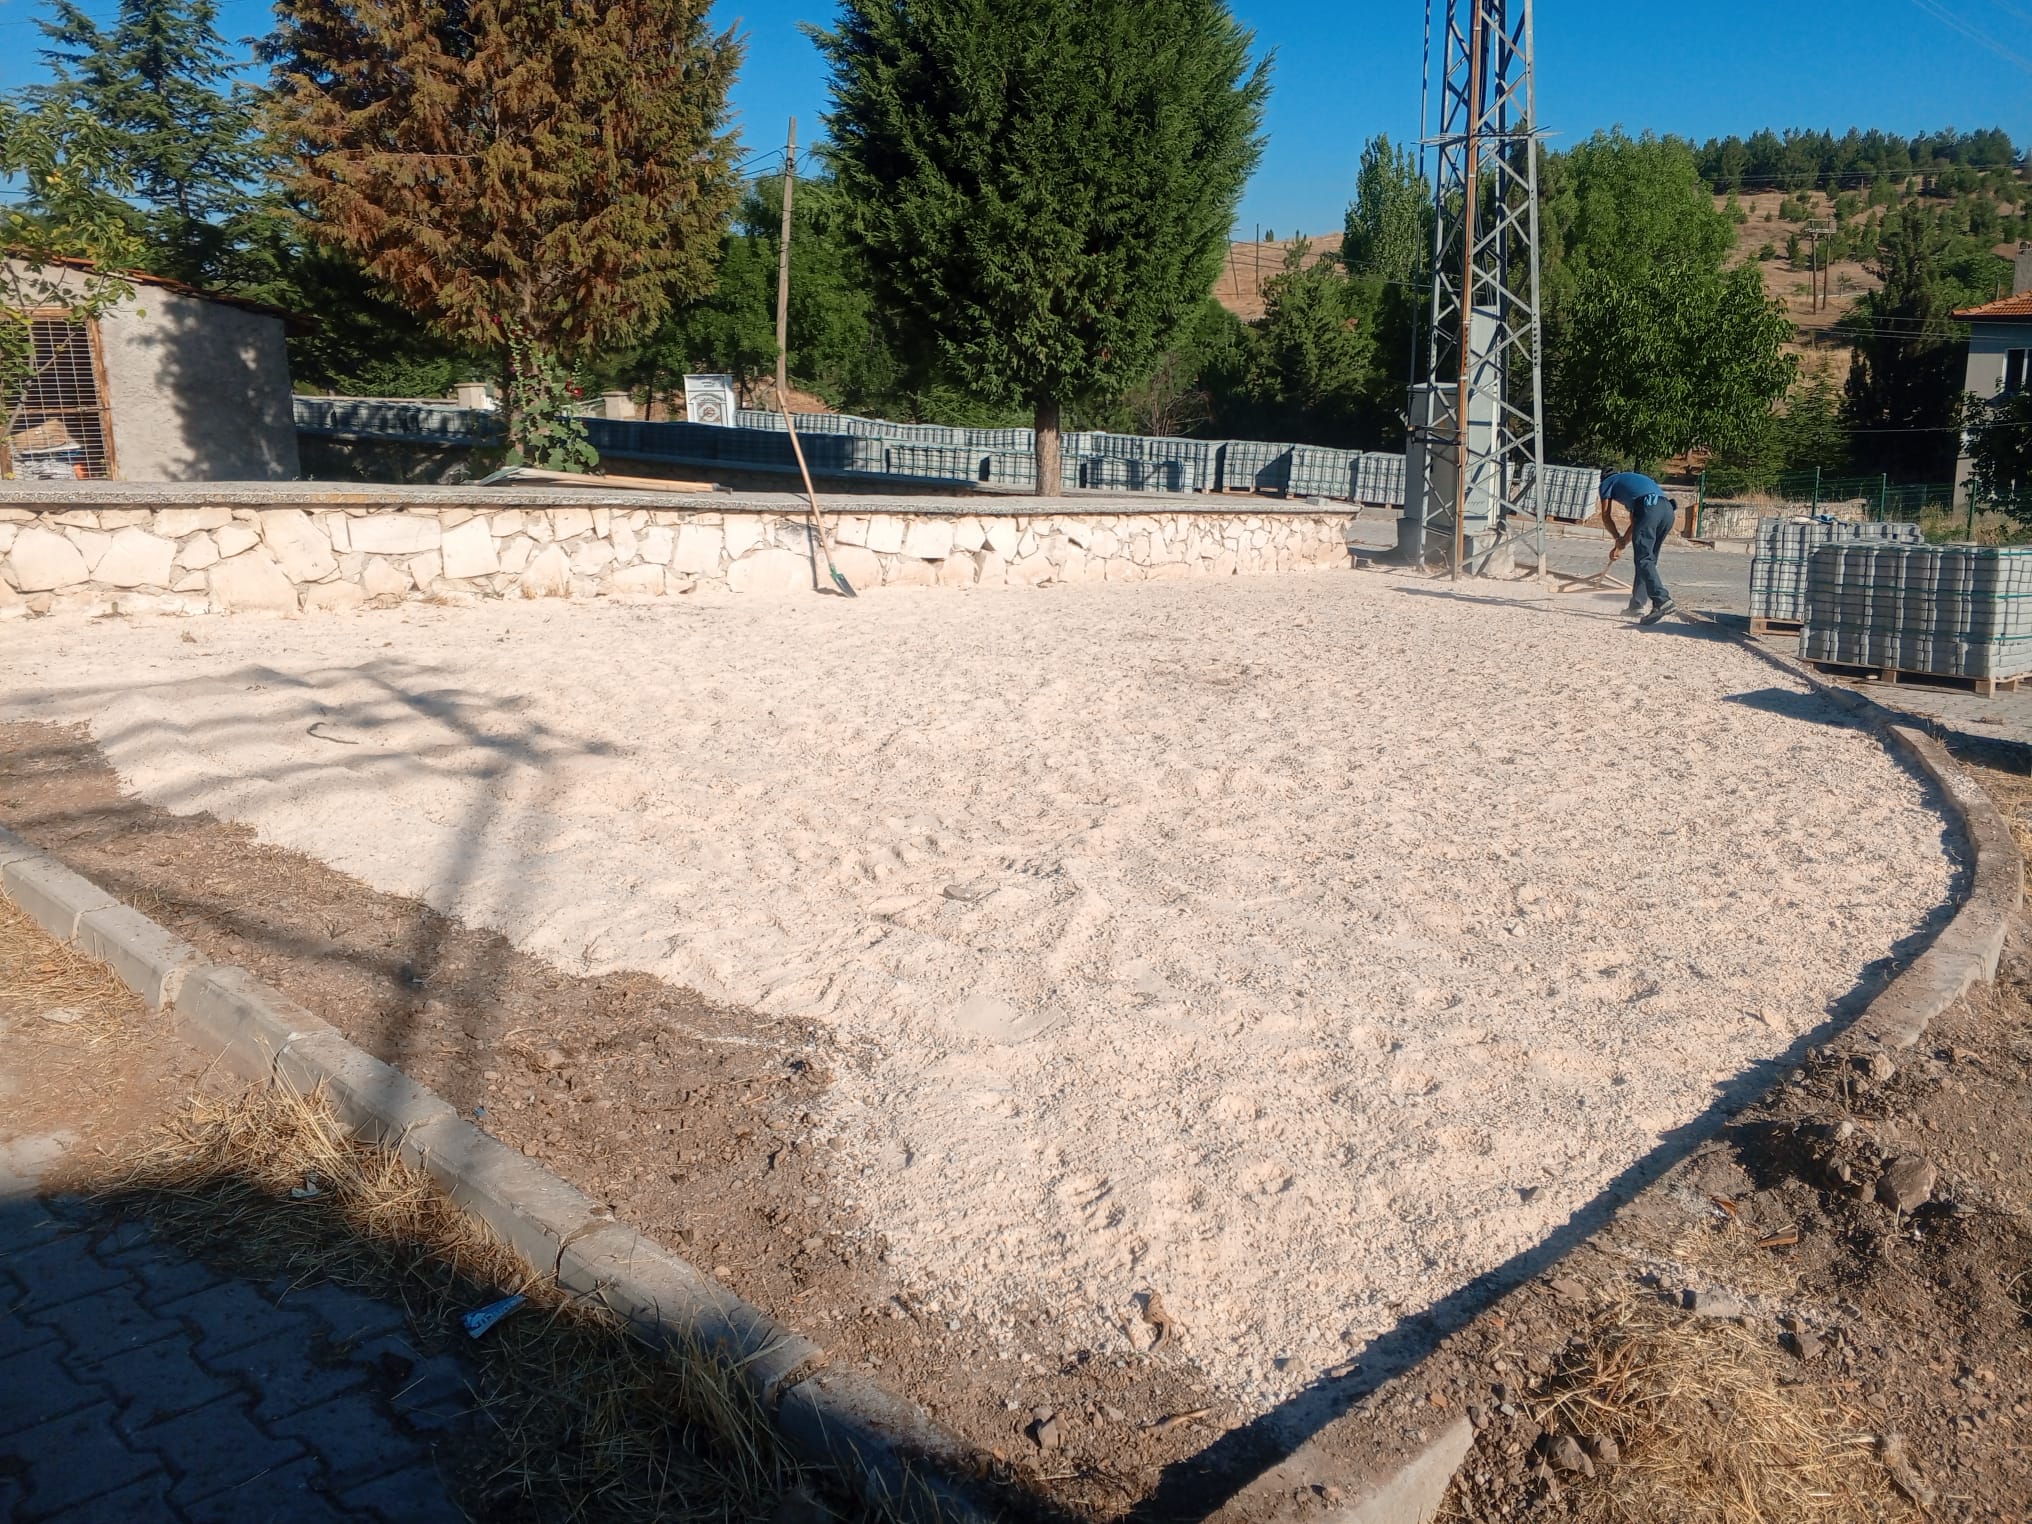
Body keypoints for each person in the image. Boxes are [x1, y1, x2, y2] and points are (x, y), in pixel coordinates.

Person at [1599, 469, 1678, 625]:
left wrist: (1617, 539)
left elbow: (1606, 516)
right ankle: (1637, 605)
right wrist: (1621, 544)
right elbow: (1635, 522)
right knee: (1648, 560)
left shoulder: (1607, 482)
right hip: (1667, 510)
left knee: (1643, 559)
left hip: (1650, 509)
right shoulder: (1633, 483)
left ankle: (1662, 600)